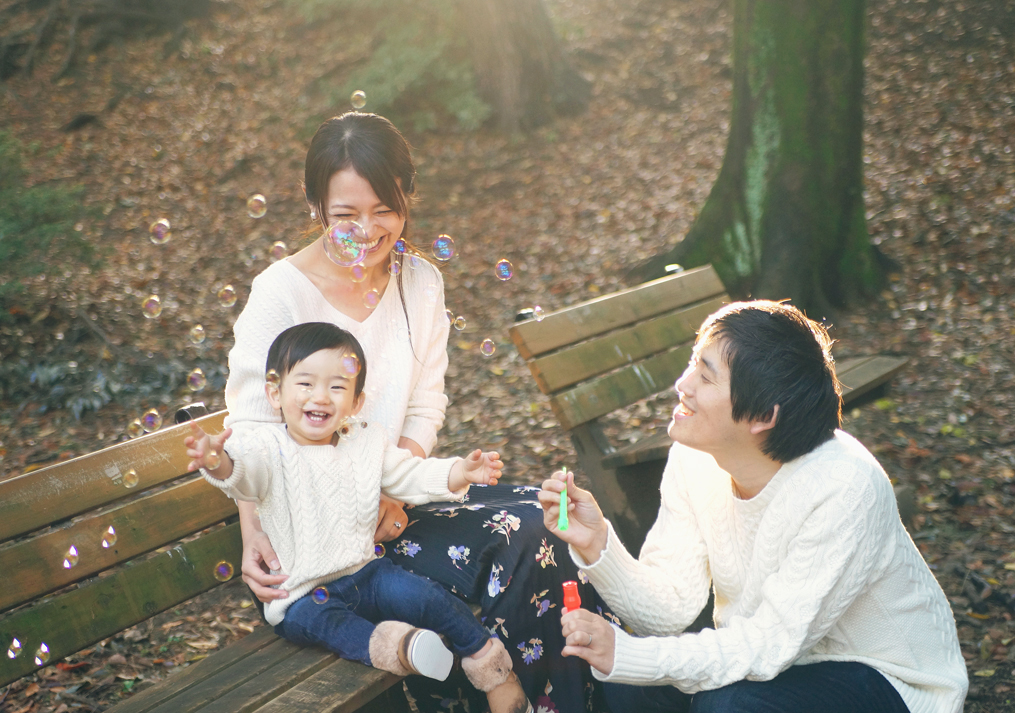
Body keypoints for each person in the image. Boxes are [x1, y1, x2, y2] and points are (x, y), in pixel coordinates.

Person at [224, 112, 610, 712]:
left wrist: (393, 489)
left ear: (406, 197)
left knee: (548, 514)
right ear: (316, 208)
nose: (368, 230)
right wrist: (252, 534)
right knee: (522, 537)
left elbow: (426, 404)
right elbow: (249, 427)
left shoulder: (420, 281)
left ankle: (567, 700)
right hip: (320, 545)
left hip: (400, 504)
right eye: (345, 215)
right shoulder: (281, 293)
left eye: (385, 209)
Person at [539, 301, 968, 713]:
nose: (682, 385)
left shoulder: (844, 486)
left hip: (888, 679)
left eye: (705, 377)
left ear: (763, 415)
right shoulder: (695, 455)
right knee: (629, 686)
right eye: (693, 362)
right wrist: (599, 546)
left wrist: (631, 654)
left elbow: (769, 643)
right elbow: (669, 607)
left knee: (728, 705)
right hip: (774, 663)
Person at [187, 323, 530, 713]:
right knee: (329, 625)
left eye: (337, 387)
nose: (320, 396)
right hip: (300, 595)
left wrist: (459, 473)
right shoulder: (265, 449)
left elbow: (409, 474)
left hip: (367, 574)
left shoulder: (366, 441)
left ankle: (494, 670)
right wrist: (216, 460)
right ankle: (404, 648)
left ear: (355, 401)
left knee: (428, 597)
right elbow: (241, 475)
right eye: (305, 384)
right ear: (274, 393)